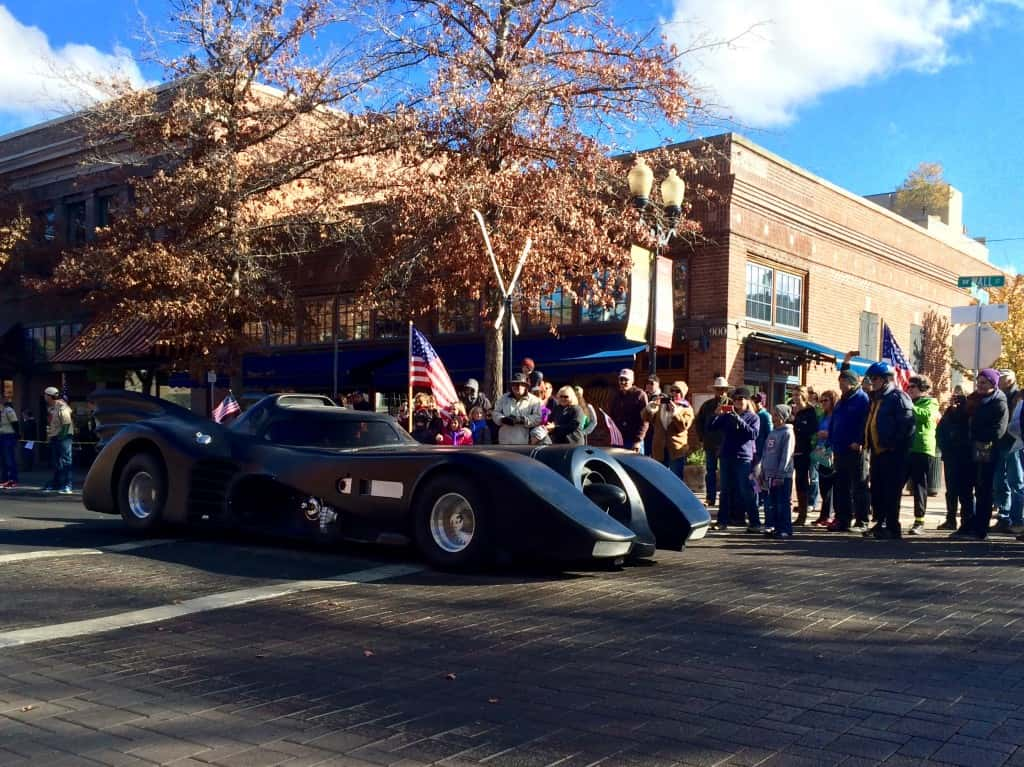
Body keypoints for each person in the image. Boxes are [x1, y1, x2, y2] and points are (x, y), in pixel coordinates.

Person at [862, 362, 915, 539]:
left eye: (875, 378)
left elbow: (907, 426)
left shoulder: (898, 397)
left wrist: (894, 445)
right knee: (877, 489)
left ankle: (892, 526)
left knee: (891, 491)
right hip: (877, 452)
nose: (872, 381)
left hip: (893, 453)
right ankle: (880, 522)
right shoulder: (877, 398)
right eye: (871, 378)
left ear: (886, 379)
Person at [955, 368, 1008, 540]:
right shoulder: (974, 400)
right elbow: (962, 421)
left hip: (986, 452)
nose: (980, 386)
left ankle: (980, 528)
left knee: (983, 490)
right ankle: (966, 524)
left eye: (984, 383)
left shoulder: (999, 402)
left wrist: (977, 434)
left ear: (993, 384)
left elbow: (998, 431)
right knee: (964, 488)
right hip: (967, 451)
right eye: (979, 383)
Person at [710, 387, 761, 532]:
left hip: (743, 457)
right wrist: (716, 415)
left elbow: (753, 434)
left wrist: (737, 418)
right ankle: (722, 521)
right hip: (727, 455)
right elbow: (711, 428)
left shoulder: (753, 417)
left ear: (747, 400)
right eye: (735, 399)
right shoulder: (727, 416)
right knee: (725, 490)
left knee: (745, 490)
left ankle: (755, 522)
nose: (737, 402)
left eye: (740, 399)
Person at [829, 368, 871, 533]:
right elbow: (834, 421)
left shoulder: (862, 399)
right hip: (840, 449)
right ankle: (843, 519)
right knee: (841, 485)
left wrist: (859, 440)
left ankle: (862, 520)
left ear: (853, 382)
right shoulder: (841, 401)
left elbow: (865, 422)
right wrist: (832, 441)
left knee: (859, 485)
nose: (841, 384)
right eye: (840, 381)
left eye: (844, 381)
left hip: (855, 450)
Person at [906, 374, 939, 535]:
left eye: (912, 387)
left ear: (922, 388)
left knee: (919, 485)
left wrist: (908, 406)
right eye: (908, 387)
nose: (909, 389)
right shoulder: (908, 403)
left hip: (922, 449)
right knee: (895, 483)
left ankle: (919, 521)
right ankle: (886, 518)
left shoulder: (931, 402)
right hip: (906, 448)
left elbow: (924, 416)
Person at [992, 370, 1024, 533]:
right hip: (1000, 442)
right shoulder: (997, 396)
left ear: (1012, 379)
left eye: (1004, 377)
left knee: (1016, 482)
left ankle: (1017, 520)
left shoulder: (1018, 396)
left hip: (1015, 443)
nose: (1001, 380)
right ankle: (1004, 517)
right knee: (999, 481)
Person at [937, 389, 973, 532]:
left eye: (959, 399)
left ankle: (967, 520)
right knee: (951, 491)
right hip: (951, 456)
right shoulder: (949, 414)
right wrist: (945, 448)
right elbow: (939, 432)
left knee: (965, 491)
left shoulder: (969, 413)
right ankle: (950, 519)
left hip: (966, 457)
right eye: (954, 399)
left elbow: (970, 432)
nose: (956, 402)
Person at [641, 380, 693, 478]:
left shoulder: (687, 408)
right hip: (659, 449)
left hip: (676, 450)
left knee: (675, 479)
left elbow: (683, 426)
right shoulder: (661, 406)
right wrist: (651, 407)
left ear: (683, 394)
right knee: (659, 478)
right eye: (672, 390)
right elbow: (645, 418)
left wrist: (676, 413)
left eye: (677, 391)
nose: (674, 393)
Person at [695, 376, 731, 507]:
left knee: (725, 472)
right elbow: (698, 422)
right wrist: (702, 437)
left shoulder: (731, 404)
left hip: (726, 444)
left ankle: (725, 499)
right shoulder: (707, 405)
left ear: (726, 390)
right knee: (710, 472)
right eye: (718, 389)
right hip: (710, 443)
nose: (720, 392)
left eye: (722, 389)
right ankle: (710, 498)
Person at [762, 404, 795, 539]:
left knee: (782, 503)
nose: (773, 418)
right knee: (773, 503)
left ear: (783, 417)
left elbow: (786, 455)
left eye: (776, 415)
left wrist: (780, 474)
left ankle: (785, 528)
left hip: (782, 476)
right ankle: (775, 527)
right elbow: (766, 452)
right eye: (773, 415)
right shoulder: (772, 432)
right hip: (769, 475)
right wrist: (762, 470)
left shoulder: (787, 433)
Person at [790, 386, 819, 527]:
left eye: (797, 394)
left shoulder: (810, 411)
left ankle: (803, 514)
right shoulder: (795, 411)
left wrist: (798, 422)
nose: (795, 397)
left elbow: (812, 430)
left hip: (807, 451)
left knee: (805, 480)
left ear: (804, 395)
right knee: (799, 482)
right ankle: (800, 512)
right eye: (793, 394)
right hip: (794, 450)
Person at [811, 390, 838, 527]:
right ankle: (823, 514)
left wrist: (827, 434)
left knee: (830, 485)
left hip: (831, 451)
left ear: (832, 401)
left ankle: (829, 515)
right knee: (823, 485)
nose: (822, 403)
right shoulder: (823, 416)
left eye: (825, 400)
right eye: (821, 401)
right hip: (821, 451)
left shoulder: (836, 416)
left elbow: (838, 432)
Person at [493, 373, 542, 445]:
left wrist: (523, 420)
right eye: (515, 384)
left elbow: (538, 418)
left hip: (523, 443)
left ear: (525, 386)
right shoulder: (503, 398)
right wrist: (502, 419)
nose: (518, 386)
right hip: (504, 441)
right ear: (511, 386)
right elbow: (495, 413)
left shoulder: (534, 400)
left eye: (521, 384)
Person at [43, 386, 75, 494]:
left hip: (64, 436)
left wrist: (62, 436)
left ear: (49, 396)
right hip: (56, 437)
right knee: (57, 462)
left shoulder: (62, 406)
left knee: (66, 461)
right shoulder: (52, 408)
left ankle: (67, 485)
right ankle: (56, 484)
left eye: (46, 395)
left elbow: (67, 422)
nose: (44, 397)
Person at [609, 368, 648, 453]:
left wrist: (638, 440)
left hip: (633, 440)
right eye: (621, 379)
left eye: (626, 379)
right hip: (619, 439)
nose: (623, 382)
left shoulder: (640, 395)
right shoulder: (616, 396)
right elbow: (612, 417)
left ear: (632, 381)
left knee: (635, 465)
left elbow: (645, 420)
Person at [0, 399, 19, 488]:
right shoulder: (1, 410)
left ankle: (12, 479)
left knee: (9, 459)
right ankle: (4, 479)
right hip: (1, 436)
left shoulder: (8, 410)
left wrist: (17, 434)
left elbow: (15, 422)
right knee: (3, 459)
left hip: (8, 435)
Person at [643, 376, 662, 456]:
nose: (649, 385)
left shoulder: (662, 397)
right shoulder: (643, 396)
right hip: (644, 432)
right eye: (647, 383)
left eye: (651, 383)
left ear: (657, 384)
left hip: (656, 433)